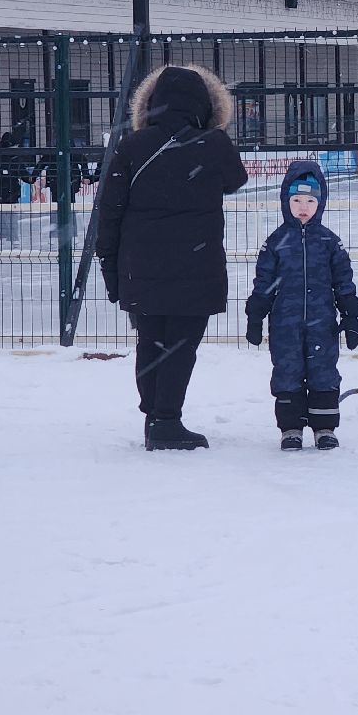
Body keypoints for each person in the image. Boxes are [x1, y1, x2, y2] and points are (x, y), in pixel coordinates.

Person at [96, 65, 248, 450]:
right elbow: (236, 179)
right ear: (207, 105)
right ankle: (166, 420)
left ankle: (153, 415)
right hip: (195, 267)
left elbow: (109, 213)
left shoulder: (131, 147)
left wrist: (112, 274)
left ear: (150, 105)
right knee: (181, 344)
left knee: (151, 339)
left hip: (140, 266)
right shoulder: (213, 145)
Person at [245, 162, 358, 451]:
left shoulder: (329, 242)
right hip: (285, 324)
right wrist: (256, 315)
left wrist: (350, 315)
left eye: (310, 201)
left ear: (320, 204)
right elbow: (263, 283)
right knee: (288, 371)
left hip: (322, 323)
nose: (303, 207)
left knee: (324, 371)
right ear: (286, 201)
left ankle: (324, 427)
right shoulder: (277, 242)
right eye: (296, 200)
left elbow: (343, 281)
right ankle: (291, 427)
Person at [0, 131, 31, 245]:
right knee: (11, 217)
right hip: (11, 193)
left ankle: (1, 236)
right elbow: (24, 175)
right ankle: (12, 238)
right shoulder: (15, 159)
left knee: (0, 215)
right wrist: (31, 178)